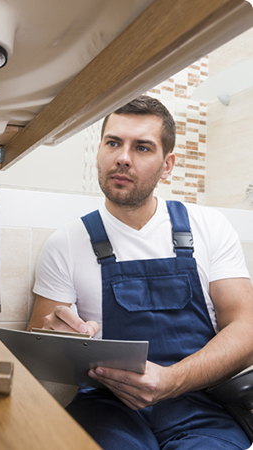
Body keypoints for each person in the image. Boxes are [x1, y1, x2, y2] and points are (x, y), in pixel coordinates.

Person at [27, 95, 253, 449]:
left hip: (198, 405)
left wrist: (173, 380)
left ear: (168, 165)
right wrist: (61, 338)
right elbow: (37, 346)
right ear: (100, 150)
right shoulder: (67, 242)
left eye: (143, 147)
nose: (123, 158)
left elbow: (247, 329)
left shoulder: (208, 226)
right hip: (106, 409)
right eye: (113, 142)